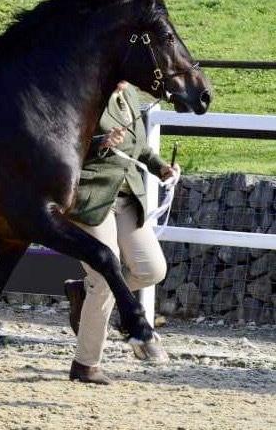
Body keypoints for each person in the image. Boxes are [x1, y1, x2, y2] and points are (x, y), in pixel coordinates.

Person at [65, 81, 180, 385]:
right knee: (104, 276)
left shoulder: (129, 94)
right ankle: (85, 365)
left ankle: (83, 291)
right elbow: (62, 142)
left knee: (152, 269)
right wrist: (100, 142)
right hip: (93, 196)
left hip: (129, 197)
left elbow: (139, 146)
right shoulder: (87, 91)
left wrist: (160, 168)